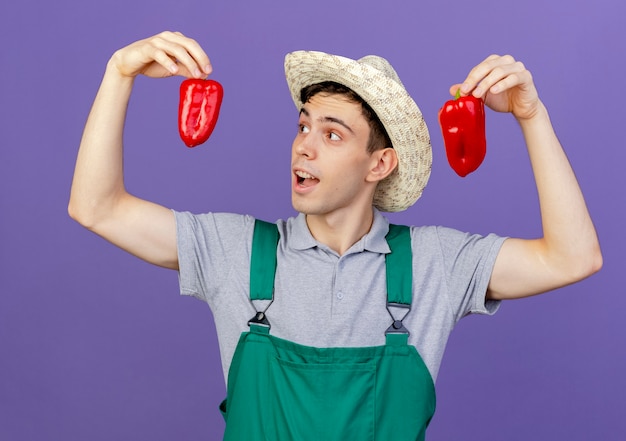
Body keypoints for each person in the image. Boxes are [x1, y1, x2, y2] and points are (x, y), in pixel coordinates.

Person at [68, 31, 602, 440]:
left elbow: (573, 258)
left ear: (379, 163)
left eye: (331, 133)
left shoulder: (437, 263)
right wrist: (119, 74)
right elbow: (96, 207)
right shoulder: (234, 250)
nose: (304, 146)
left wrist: (531, 117)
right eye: (303, 126)